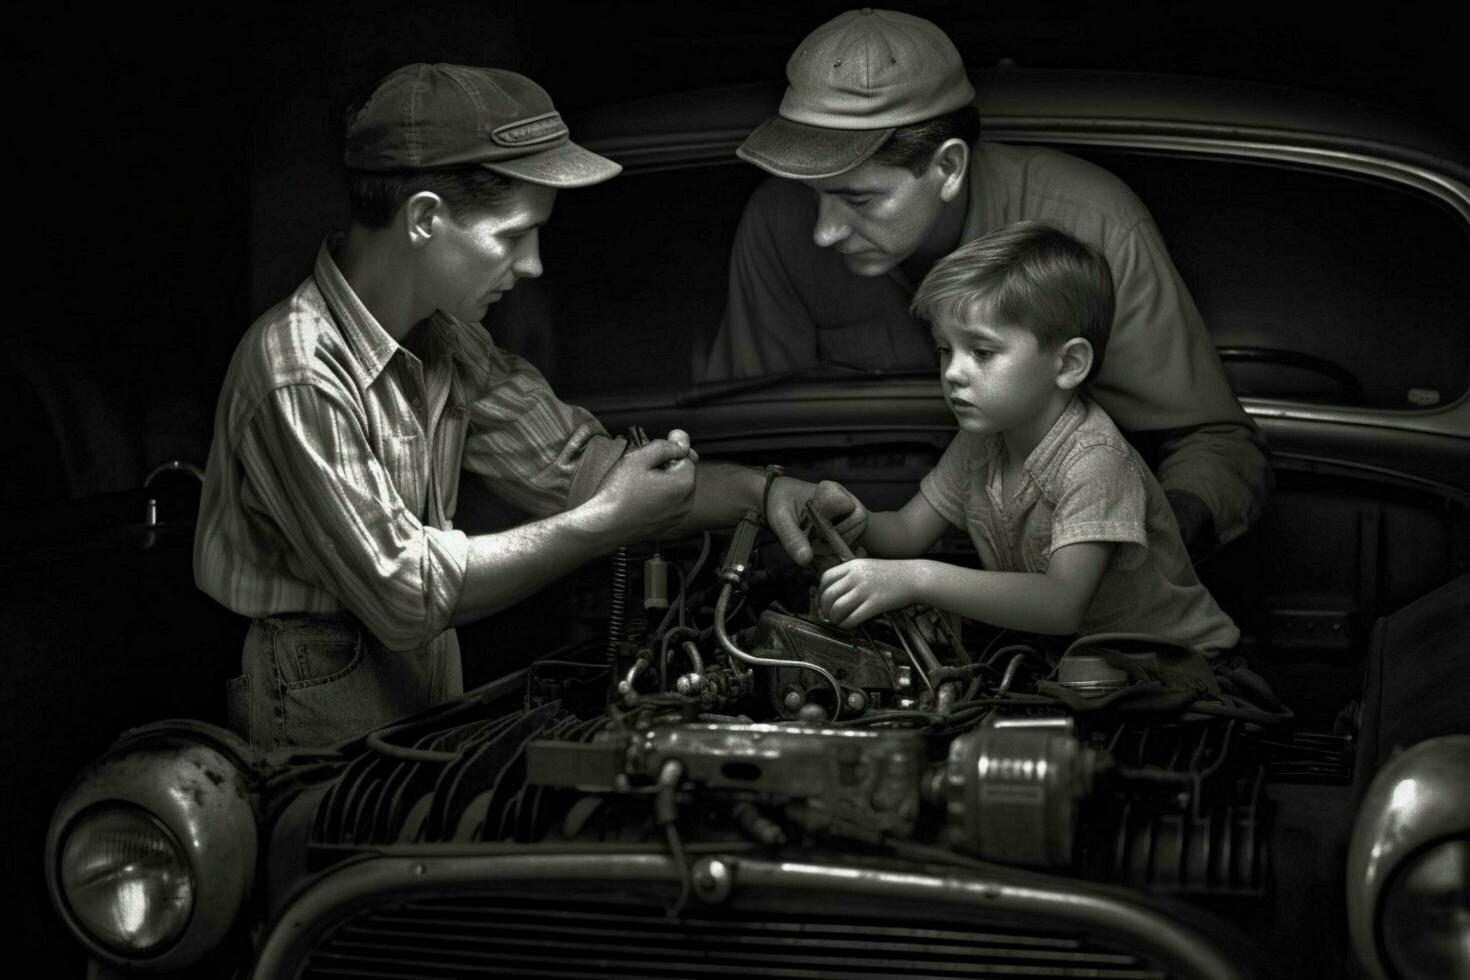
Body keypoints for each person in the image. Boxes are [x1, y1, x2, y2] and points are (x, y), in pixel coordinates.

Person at [194, 63, 864, 749]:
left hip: (422, 672)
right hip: (319, 689)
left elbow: (587, 468)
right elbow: (406, 595)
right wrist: (602, 524)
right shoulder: (298, 367)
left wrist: (770, 491)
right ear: (424, 218)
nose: (532, 266)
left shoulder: (448, 343)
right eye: (512, 236)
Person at [702, 8, 1271, 559]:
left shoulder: (1092, 223)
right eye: (812, 193)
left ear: (948, 168)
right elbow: (748, 436)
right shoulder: (777, 222)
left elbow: (1215, 447)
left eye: (860, 198)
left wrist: (1148, 551)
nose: (823, 233)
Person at [816, 221, 1239, 657]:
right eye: (946, 349)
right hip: (1082, 670)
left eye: (981, 352)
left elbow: (1060, 604)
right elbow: (905, 532)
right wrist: (854, 517)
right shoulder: (981, 442)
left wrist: (917, 579)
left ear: (1068, 364)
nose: (953, 372)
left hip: (1185, 674)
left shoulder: (1094, 460)